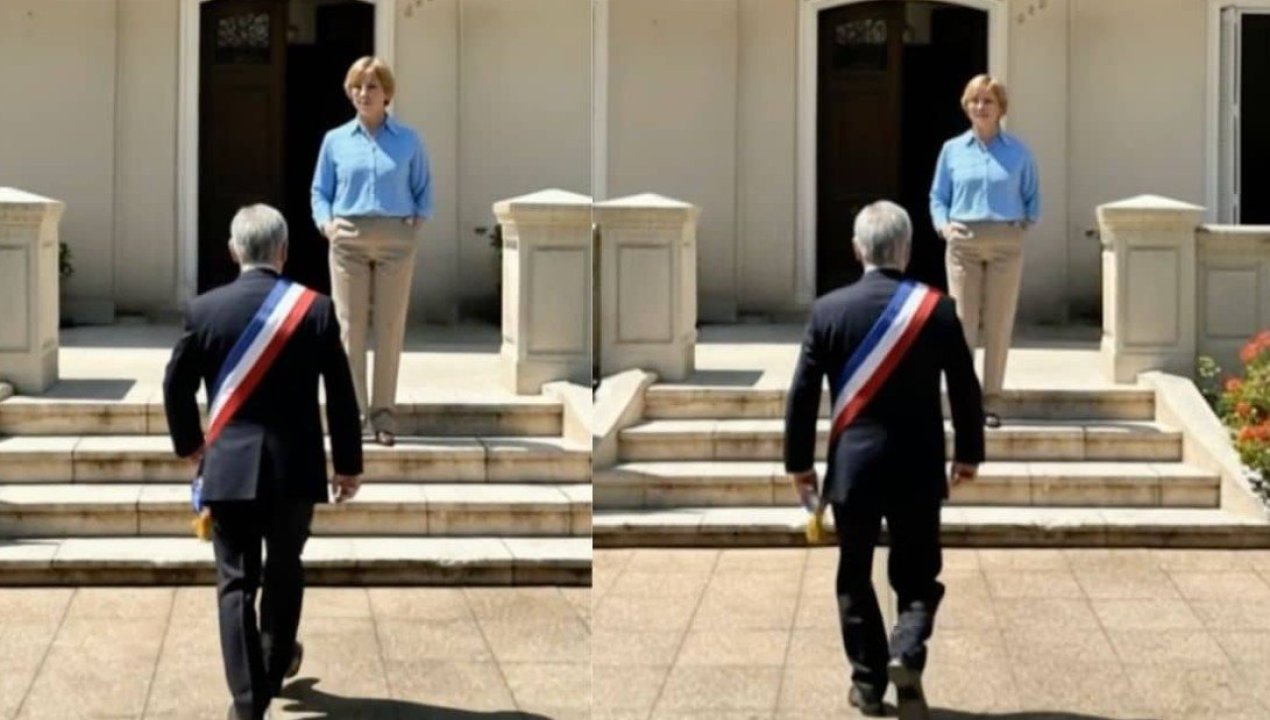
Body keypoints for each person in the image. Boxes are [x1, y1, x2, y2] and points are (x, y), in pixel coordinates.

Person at [784, 201, 984, 720]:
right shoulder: (937, 309)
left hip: (854, 469)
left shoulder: (828, 310)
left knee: (854, 575)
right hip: (918, 468)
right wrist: (968, 453)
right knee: (918, 577)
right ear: (908, 250)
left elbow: (802, 395)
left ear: (857, 250)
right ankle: (906, 651)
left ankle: (869, 685)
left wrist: (799, 465)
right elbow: (966, 388)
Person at [163, 205, 364, 720]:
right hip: (295, 469)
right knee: (284, 569)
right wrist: (347, 464)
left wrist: (191, 445)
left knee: (235, 583)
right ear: (284, 251)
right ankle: (272, 671)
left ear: (234, 251)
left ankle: (248, 703)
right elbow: (342, 395)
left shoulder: (204, 310)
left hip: (229, 468)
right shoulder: (316, 310)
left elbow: (175, 386)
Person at [311, 55, 433, 446]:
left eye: (372, 86)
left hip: (396, 241)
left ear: (387, 94)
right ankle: (354, 417)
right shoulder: (334, 141)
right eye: (357, 87)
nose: (364, 93)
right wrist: (327, 224)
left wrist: (417, 222)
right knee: (350, 329)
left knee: (389, 329)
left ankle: (383, 418)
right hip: (348, 238)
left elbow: (424, 188)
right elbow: (320, 191)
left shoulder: (409, 140)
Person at [929, 73, 1039, 428]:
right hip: (964, 242)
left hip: (1006, 242)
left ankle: (991, 401)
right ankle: (964, 401)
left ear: (1000, 108)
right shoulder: (952, 150)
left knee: (998, 323)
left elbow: (1032, 195)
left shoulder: (1018, 152)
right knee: (962, 324)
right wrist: (944, 226)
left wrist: (1023, 224)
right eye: (975, 100)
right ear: (966, 107)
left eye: (988, 101)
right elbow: (938, 196)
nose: (981, 107)